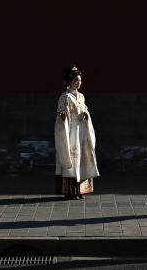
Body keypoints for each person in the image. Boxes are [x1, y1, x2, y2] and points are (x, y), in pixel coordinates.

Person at [55, 65, 99, 199]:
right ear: (69, 81)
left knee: (82, 159)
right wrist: (63, 116)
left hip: (82, 133)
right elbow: (61, 113)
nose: (78, 83)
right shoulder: (65, 96)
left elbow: (85, 109)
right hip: (71, 133)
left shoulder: (81, 96)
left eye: (80, 80)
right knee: (72, 159)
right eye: (75, 81)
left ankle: (81, 190)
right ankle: (70, 191)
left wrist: (86, 115)